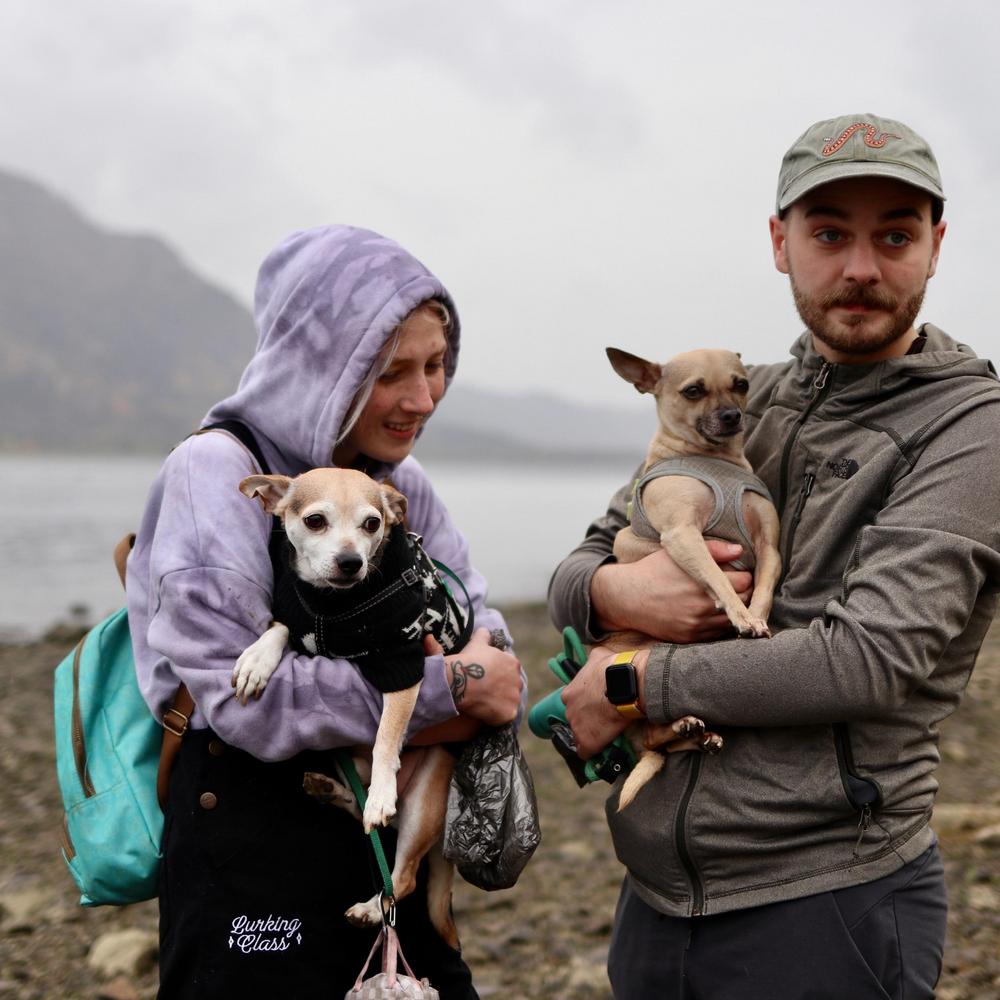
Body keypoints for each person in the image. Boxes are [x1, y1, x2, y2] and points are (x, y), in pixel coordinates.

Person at [549, 114, 1000, 999]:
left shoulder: (969, 429)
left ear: (936, 247)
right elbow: (579, 564)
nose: (861, 267)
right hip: (656, 896)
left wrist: (633, 682)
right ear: (779, 242)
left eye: (895, 236)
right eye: (829, 234)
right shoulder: (739, 398)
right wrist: (617, 592)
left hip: (829, 900)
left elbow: (868, 660)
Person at [126, 225, 523, 999]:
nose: (423, 398)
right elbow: (249, 705)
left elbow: (494, 642)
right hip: (250, 831)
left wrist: (477, 676)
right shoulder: (216, 473)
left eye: (436, 365)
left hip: (377, 835)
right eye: (389, 371)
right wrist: (450, 690)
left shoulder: (397, 484)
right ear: (314, 363)